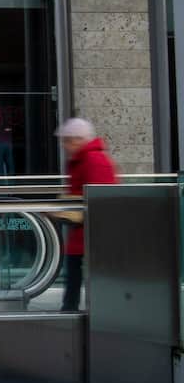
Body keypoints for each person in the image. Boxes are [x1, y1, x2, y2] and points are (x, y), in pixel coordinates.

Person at [54, 117, 117, 312]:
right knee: (75, 272)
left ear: (77, 139)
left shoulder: (92, 160)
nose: (64, 146)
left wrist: (66, 206)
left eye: (67, 141)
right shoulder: (85, 159)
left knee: (77, 272)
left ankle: (75, 310)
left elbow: (99, 196)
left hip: (92, 232)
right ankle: (72, 309)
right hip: (86, 231)